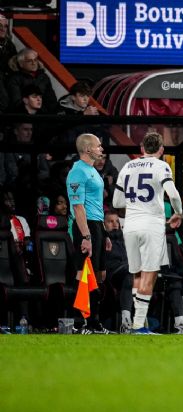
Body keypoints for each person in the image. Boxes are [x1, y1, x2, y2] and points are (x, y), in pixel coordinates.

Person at [112, 132, 183, 335]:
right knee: (149, 274)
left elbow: (117, 202)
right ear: (161, 150)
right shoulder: (161, 166)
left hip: (131, 226)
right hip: (151, 225)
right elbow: (174, 194)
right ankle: (138, 327)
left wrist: (135, 205)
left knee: (136, 274)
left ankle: (139, 324)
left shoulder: (127, 166)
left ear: (142, 149)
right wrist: (178, 213)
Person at [67, 133, 111, 333]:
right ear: (87, 149)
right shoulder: (77, 173)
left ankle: (95, 321)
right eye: (98, 146)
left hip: (97, 225)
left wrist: (104, 233)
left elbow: (96, 204)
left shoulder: (93, 171)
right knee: (84, 272)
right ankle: (79, 322)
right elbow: (78, 207)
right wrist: (86, 236)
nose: (101, 149)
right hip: (85, 227)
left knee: (100, 274)